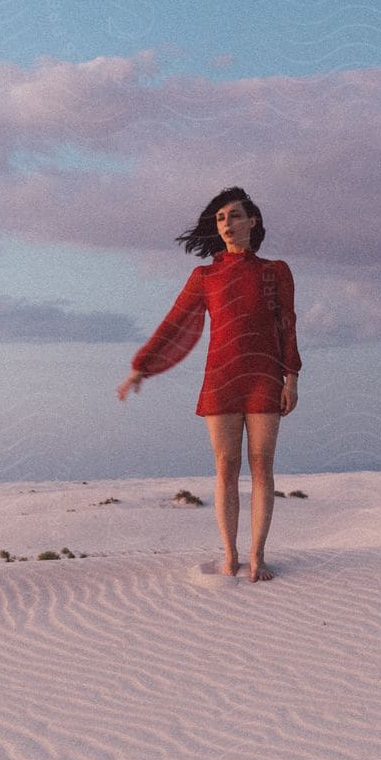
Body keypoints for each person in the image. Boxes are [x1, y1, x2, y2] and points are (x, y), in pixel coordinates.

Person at [117, 187, 301, 582]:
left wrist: (293, 377)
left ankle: (258, 556)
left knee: (262, 467)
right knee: (225, 467)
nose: (227, 224)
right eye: (220, 219)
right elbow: (174, 322)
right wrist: (141, 367)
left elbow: (287, 325)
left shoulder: (276, 271)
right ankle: (230, 554)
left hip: (265, 376)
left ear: (253, 221)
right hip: (221, 378)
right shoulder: (204, 276)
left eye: (235, 216)